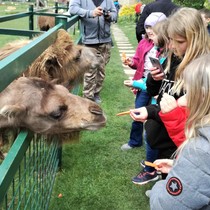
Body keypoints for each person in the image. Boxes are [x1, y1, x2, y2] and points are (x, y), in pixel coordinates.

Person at [130, 8, 210, 185]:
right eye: (171, 40)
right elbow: (155, 92)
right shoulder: (173, 56)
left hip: (180, 139)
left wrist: (150, 112)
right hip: (163, 130)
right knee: (167, 170)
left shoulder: (202, 72)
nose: (172, 46)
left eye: (179, 41)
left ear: (195, 38)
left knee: (177, 177)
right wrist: (154, 78)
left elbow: (182, 110)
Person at [149, 54, 210, 210]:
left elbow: (165, 206)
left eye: (189, 93)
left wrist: (161, 186)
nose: (183, 100)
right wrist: (180, 166)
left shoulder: (202, 150)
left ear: (203, 96)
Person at [120, 12, 167, 151]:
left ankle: (152, 141)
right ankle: (134, 141)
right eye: (147, 27)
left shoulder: (165, 47)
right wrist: (130, 62)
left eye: (152, 27)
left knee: (154, 115)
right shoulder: (143, 42)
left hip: (157, 84)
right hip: (143, 83)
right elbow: (137, 62)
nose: (148, 30)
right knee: (137, 111)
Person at [69, 0, 117, 103]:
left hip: (105, 40)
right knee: (89, 71)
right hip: (89, 41)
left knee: (101, 69)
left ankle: (96, 93)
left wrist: (109, 16)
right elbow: (72, 9)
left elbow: (115, 13)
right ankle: (88, 97)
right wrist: (91, 13)